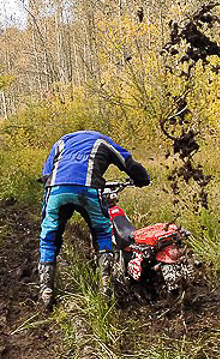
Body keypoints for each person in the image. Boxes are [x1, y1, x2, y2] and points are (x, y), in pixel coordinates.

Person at [38, 130, 150, 307]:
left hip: (56, 190)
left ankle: (46, 290)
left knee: (49, 237)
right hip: (87, 189)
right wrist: (143, 179)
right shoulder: (102, 141)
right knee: (102, 233)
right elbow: (128, 163)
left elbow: (45, 175)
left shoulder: (61, 142)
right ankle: (105, 285)